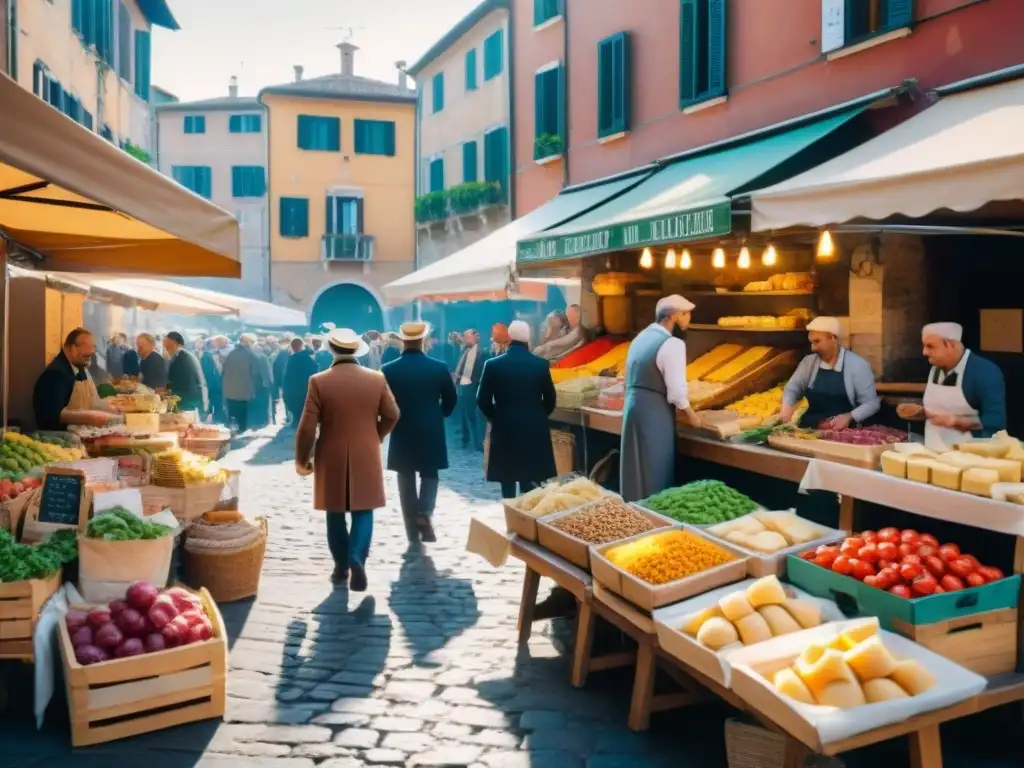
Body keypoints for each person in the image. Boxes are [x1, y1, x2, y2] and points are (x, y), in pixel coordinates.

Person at [295, 328, 400, 591]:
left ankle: (341, 566)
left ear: (332, 349)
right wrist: (376, 435)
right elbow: (393, 414)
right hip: (366, 450)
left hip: (330, 451)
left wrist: (302, 459)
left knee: (335, 512)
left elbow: (307, 427)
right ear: (357, 350)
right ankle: (357, 557)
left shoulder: (318, 380)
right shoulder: (376, 378)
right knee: (364, 510)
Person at [382, 322, 458, 545]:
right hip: (430, 426)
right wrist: (440, 414)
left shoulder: (389, 369)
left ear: (403, 341)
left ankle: (411, 530)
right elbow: (451, 398)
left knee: (405, 476)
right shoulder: (438, 366)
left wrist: (388, 422)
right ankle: (425, 511)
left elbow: (383, 402)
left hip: (402, 427)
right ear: (423, 340)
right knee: (430, 473)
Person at [620, 295, 702, 502]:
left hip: (632, 409)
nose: (689, 317)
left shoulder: (640, 338)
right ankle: (655, 518)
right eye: (686, 313)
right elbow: (676, 392)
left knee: (635, 467)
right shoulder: (672, 344)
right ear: (674, 316)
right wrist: (693, 418)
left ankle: (634, 515)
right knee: (655, 465)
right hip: (654, 413)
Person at [897, 322, 1007, 451]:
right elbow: (943, 411)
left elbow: (996, 421)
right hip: (933, 453)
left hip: (970, 458)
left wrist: (958, 422)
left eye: (930, 346)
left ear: (951, 345)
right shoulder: (935, 369)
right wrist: (921, 412)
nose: (924, 352)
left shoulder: (985, 372)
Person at [477, 320, 557, 498]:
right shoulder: (540, 365)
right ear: (528, 340)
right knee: (532, 482)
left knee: (507, 479)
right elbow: (551, 399)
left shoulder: (492, 365)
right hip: (533, 428)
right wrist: (539, 415)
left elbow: (482, 399)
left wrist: (495, 417)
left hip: (505, 427)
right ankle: (527, 521)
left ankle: (511, 520)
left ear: (510, 338)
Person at [778, 317, 880, 429]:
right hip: (808, 430)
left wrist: (849, 416)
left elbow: (871, 404)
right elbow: (793, 387)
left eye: (817, 342)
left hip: (842, 433)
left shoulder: (858, 365)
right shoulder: (809, 362)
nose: (813, 348)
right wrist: (787, 406)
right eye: (811, 342)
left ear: (833, 338)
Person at [33, 328, 118, 430]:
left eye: (91, 355)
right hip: (63, 437)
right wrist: (90, 417)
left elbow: (91, 401)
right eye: (86, 356)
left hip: (83, 432)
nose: (89, 359)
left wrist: (113, 410)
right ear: (72, 348)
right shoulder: (56, 374)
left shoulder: (80, 366)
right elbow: (55, 415)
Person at [452, 328, 488, 451]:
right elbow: (459, 366)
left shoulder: (483, 353)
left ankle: (478, 442)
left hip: (473, 387)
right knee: (463, 414)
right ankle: (465, 440)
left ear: (475, 337)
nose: (465, 339)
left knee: (473, 415)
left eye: (467, 336)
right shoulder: (464, 351)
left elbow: (484, 372)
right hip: (462, 386)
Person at [221, 333, 261, 433]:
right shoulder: (250, 354)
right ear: (249, 342)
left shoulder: (231, 353)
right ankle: (242, 430)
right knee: (243, 414)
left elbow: (224, 370)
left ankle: (232, 428)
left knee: (232, 413)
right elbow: (256, 373)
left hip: (230, 391)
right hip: (244, 391)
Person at [163, 332, 206, 414]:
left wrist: (167, 393)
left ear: (175, 343)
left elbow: (179, 381)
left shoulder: (181, 357)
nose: (165, 348)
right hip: (190, 399)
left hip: (187, 401)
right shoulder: (183, 355)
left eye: (167, 345)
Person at [283, 337, 318, 425]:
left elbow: (287, 377)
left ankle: (297, 421)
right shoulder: (309, 358)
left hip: (294, 388)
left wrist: (285, 390)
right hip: (306, 387)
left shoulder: (292, 359)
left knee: (296, 408)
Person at [197, 338, 225, 423]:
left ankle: (217, 419)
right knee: (214, 404)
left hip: (214, 384)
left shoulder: (208, 356)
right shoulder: (207, 355)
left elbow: (210, 371)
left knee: (215, 404)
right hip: (213, 384)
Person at [249, 343, 274, 430]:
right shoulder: (263, 357)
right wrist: (269, 381)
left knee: (254, 402)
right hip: (261, 381)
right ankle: (264, 420)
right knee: (263, 402)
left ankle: (255, 421)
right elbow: (267, 370)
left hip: (251, 382)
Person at [272, 338, 292, 422]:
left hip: (286, 380)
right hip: (288, 380)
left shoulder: (283, 353)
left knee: (288, 398)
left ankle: (289, 417)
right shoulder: (285, 353)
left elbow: (278, 367)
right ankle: (290, 417)